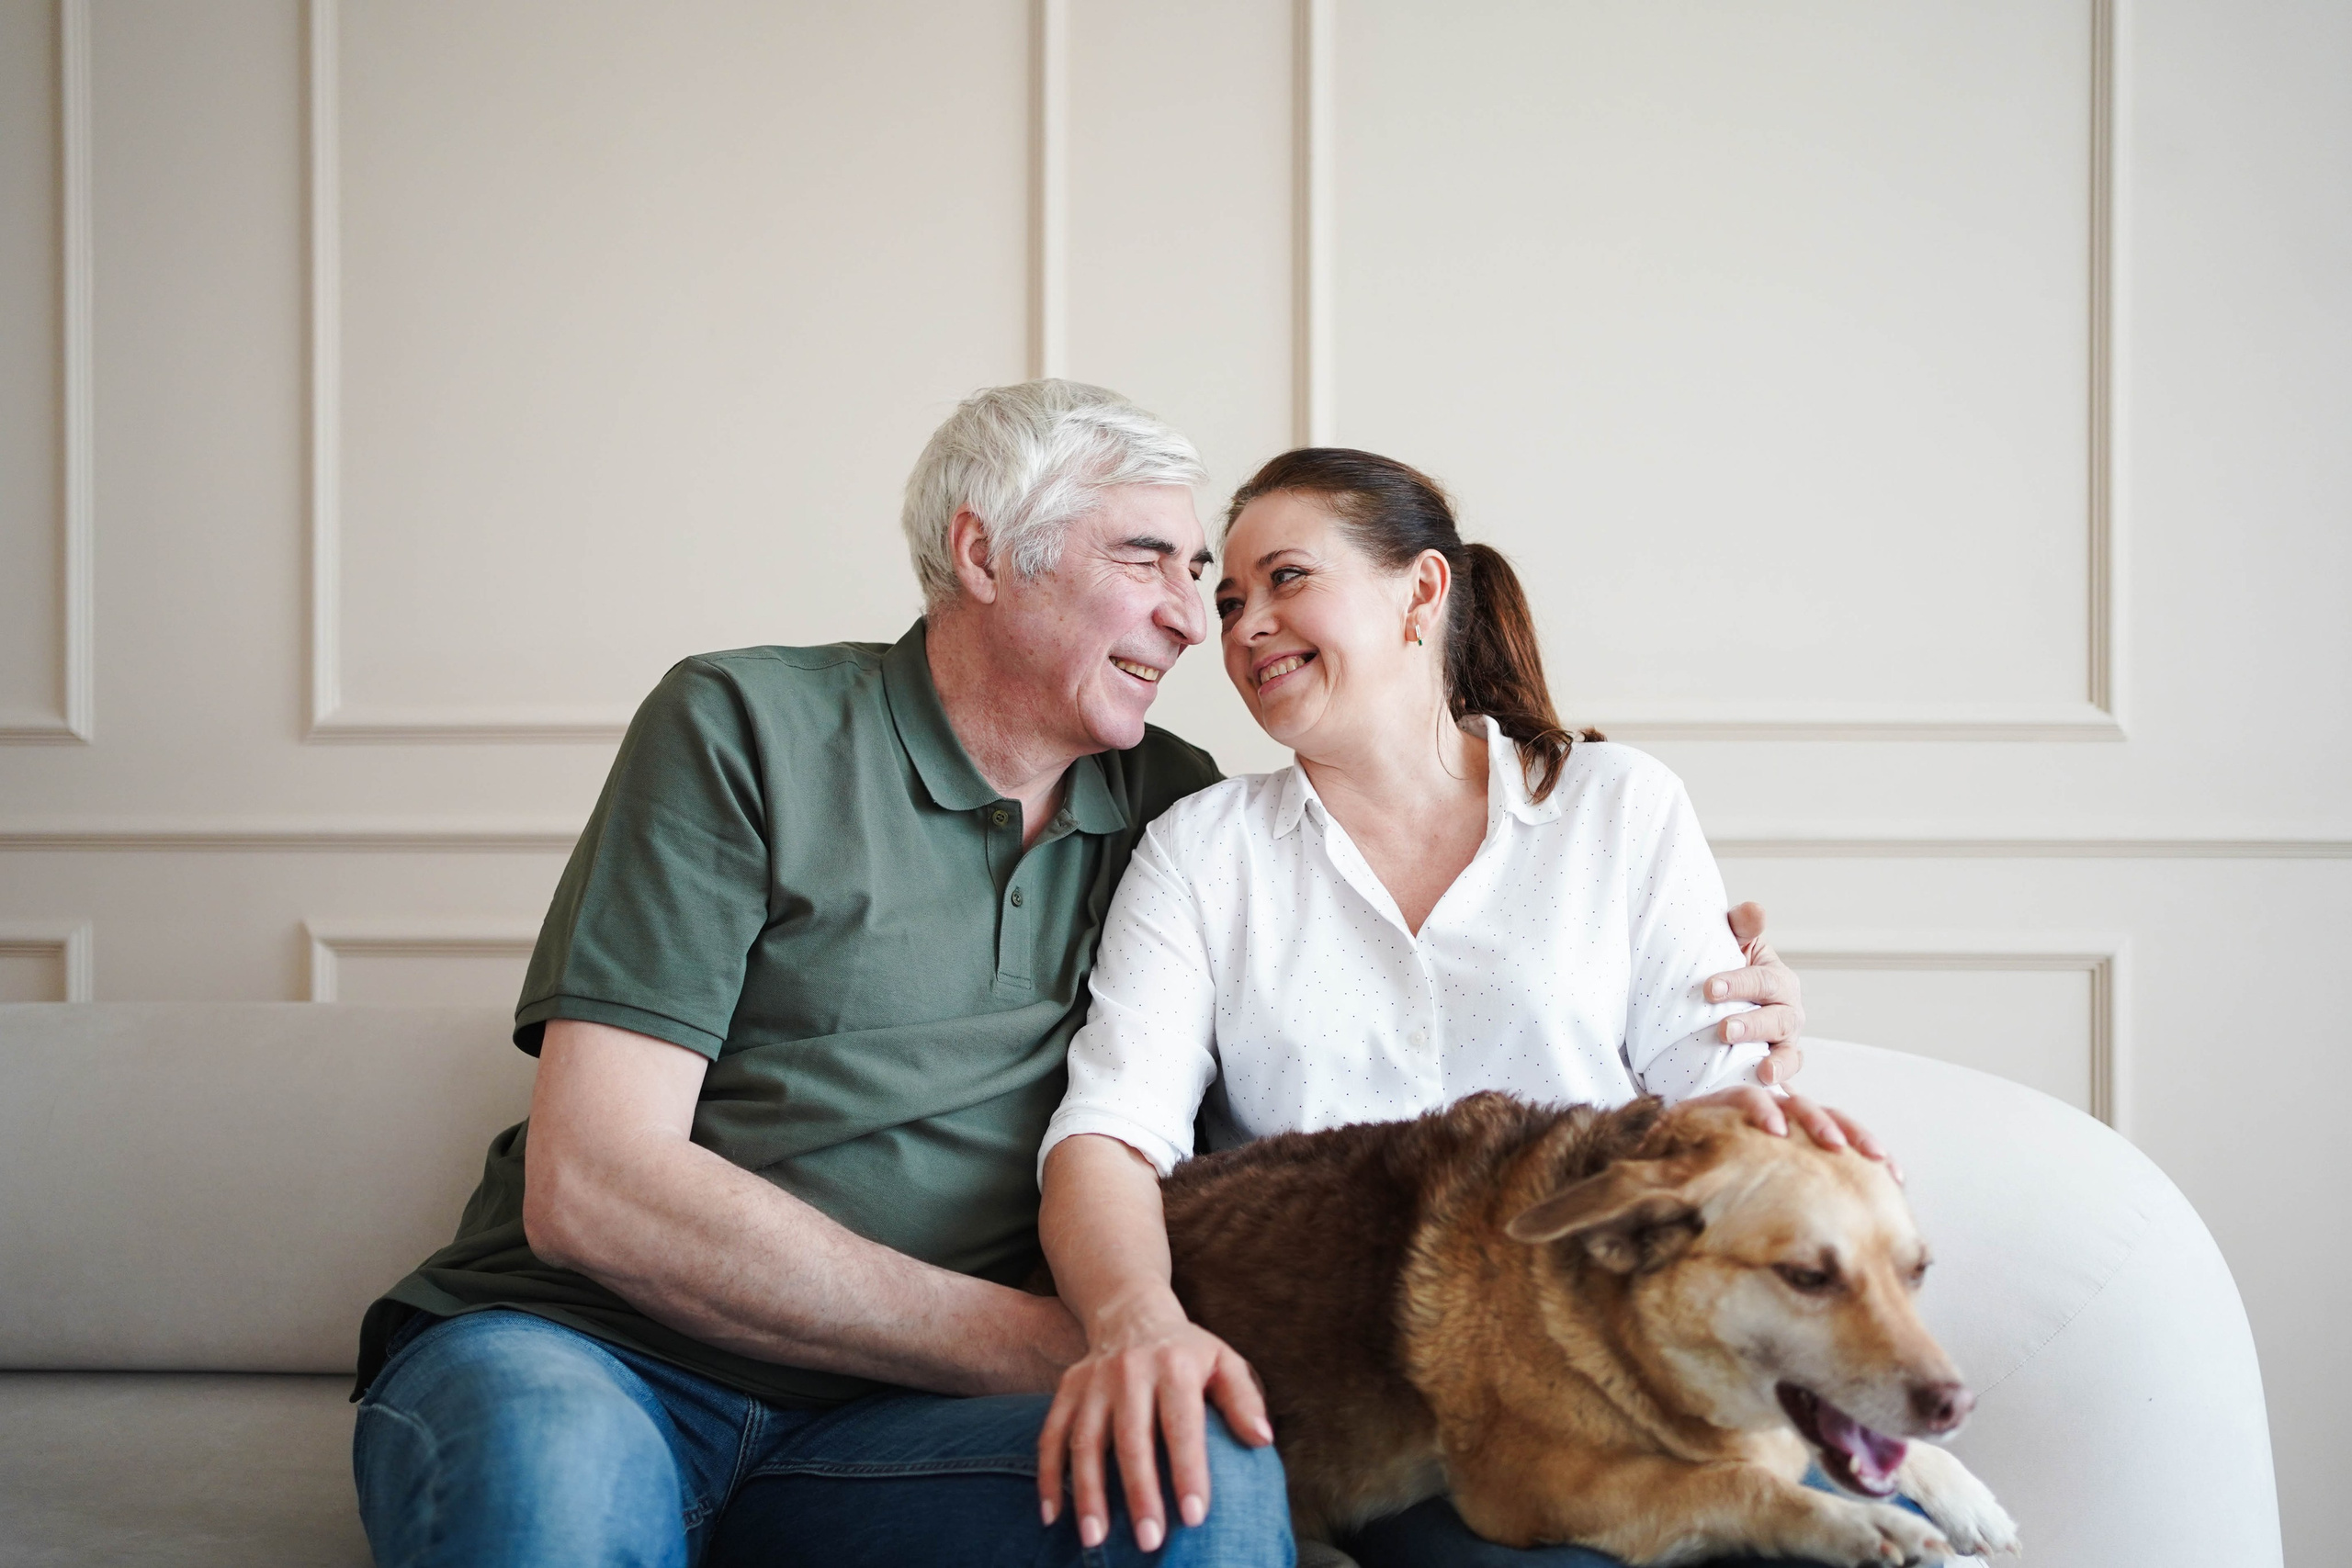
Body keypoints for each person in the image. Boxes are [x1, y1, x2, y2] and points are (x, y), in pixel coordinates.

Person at [348, 384, 1817, 1568]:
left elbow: (1363, 1060)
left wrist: (1734, 1019)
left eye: (1213, 578)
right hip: (597, 1357)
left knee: (1205, 1473)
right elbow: (595, 1185)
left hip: (901, 1428)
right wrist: (1092, 1334)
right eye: (1153, 563)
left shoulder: (1172, 808)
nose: (1197, 618)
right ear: (986, 554)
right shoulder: (746, 723)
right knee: (553, 1479)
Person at [1034, 448, 1891, 1568]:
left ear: (1422, 592)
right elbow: (1109, 1133)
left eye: (1287, 578)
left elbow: (1714, 1101)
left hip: (1611, 1368)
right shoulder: (1202, 852)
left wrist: (1768, 1117)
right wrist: (1137, 1324)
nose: (1243, 627)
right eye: (1230, 599)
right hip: (1367, 1401)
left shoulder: (1617, 808)